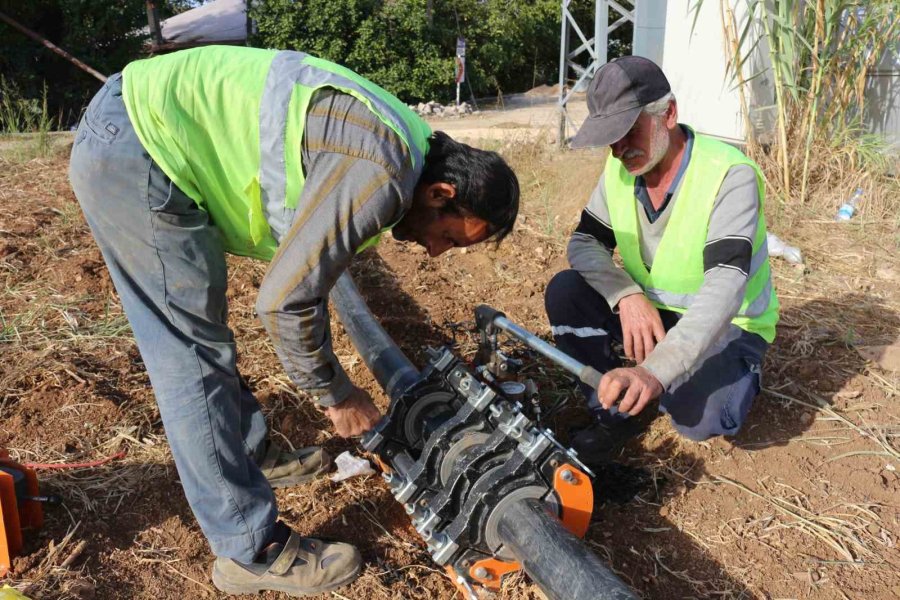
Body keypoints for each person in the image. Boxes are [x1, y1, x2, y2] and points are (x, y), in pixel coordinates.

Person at [68, 46, 519, 596]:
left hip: (141, 131)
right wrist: (336, 392)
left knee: (201, 341)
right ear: (441, 192)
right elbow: (284, 300)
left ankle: (253, 454)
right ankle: (247, 551)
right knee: (190, 355)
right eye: (448, 237)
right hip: (140, 150)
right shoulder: (382, 171)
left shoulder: (410, 143)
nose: (433, 253)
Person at [544, 56, 778, 466]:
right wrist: (625, 296)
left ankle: (678, 379)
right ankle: (614, 406)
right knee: (566, 291)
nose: (618, 151)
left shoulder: (729, 176)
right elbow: (584, 242)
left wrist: (655, 371)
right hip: (653, 312)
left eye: (628, 132)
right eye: (610, 139)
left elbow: (725, 288)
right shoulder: (620, 171)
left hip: (725, 325)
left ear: (668, 113)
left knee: (700, 416)